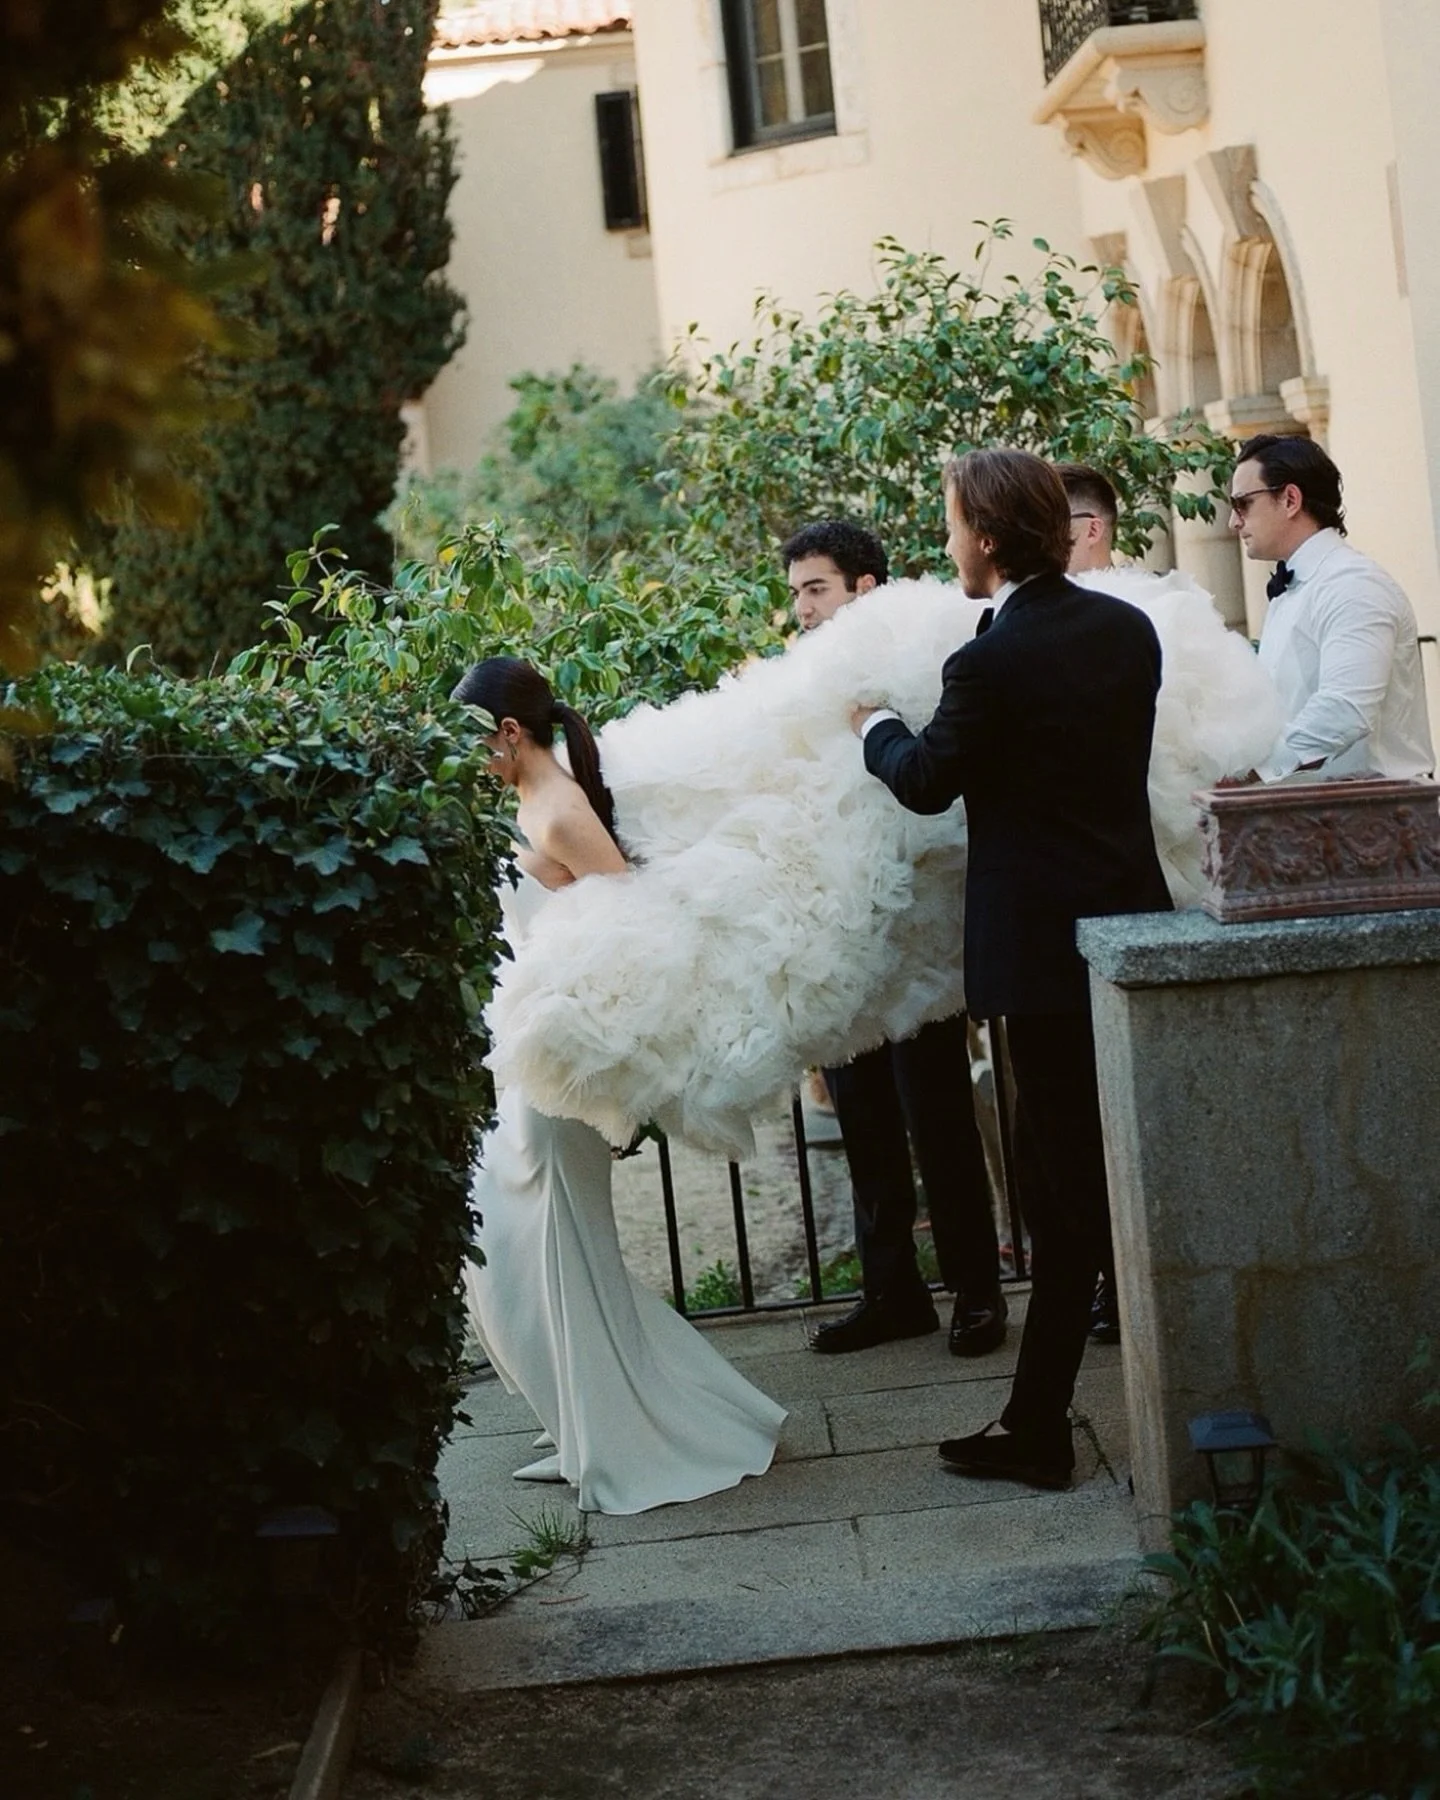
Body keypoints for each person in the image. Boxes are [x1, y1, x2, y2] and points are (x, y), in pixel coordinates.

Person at [854, 449, 1173, 1490]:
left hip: (1036, 958)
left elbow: (925, 780)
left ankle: (1038, 1431)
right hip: (1125, 932)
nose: (946, 541)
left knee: (1060, 1184)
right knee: (1087, 1174)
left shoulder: (987, 662)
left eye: (951, 523)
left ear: (987, 537)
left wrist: (873, 727)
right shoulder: (1126, 631)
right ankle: (1037, 1416)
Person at [453, 656, 786, 1514]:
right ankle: (579, 1419)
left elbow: (639, 927)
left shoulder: (561, 813)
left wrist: (590, 1039)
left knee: (554, 1248)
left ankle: (610, 1433)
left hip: (555, 1067)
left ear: (511, 732)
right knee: (526, 1248)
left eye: (474, 740)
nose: (468, 758)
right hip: (525, 1057)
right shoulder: (532, 804)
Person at [783, 520, 1005, 1358]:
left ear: (864, 588)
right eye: (798, 591)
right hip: (839, 937)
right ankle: (892, 1293)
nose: (803, 608)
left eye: (817, 589)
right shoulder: (795, 681)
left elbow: (936, 785)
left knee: (938, 1117)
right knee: (863, 1124)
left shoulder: (918, 665)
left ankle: (977, 1294)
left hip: (913, 936)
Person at [1229, 434, 1434, 782]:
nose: (1234, 522)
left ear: (1290, 499)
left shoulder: (1353, 584)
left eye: (1242, 504)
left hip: (1375, 821)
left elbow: (1345, 709)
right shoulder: (1296, 586)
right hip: (1315, 820)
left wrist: (1252, 772)